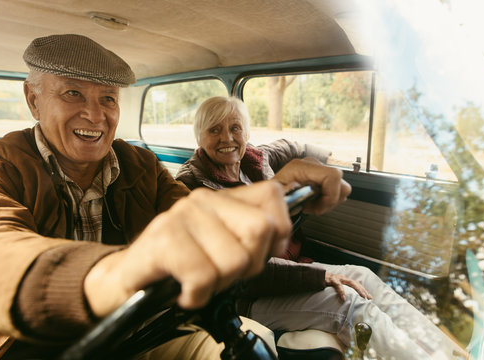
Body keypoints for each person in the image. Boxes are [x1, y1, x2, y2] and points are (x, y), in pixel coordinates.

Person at [0, 34, 352, 359]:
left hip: (142, 327)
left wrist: (272, 193)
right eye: (73, 93)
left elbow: (198, 219)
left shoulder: (139, 164)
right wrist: (112, 273)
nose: (94, 114)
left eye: (108, 98)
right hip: (30, 348)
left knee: (250, 341)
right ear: (33, 100)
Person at [175, 95, 467, 360]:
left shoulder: (254, 160)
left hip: (286, 271)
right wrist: (320, 276)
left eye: (235, 128)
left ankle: (450, 354)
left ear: (246, 133)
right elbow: (244, 274)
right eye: (214, 129)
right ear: (199, 137)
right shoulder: (189, 186)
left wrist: (332, 162)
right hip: (244, 294)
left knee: (364, 275)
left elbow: (295, 147)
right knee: (349, 304)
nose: (227, 137)